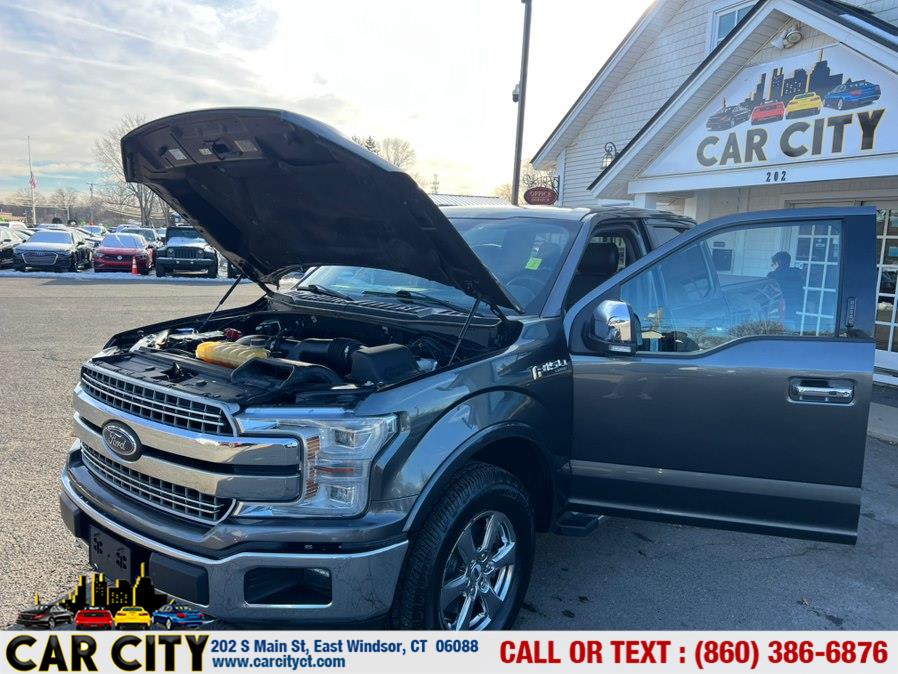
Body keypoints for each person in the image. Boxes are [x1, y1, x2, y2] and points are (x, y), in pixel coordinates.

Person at [768, 251, 805, 330]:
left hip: (778, 308)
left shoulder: (772, 275)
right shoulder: (797, 273)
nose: (772, 266)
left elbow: (769, 294)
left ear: (779, 262)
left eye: (773, 263)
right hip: (795, 305)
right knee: (792, 326)